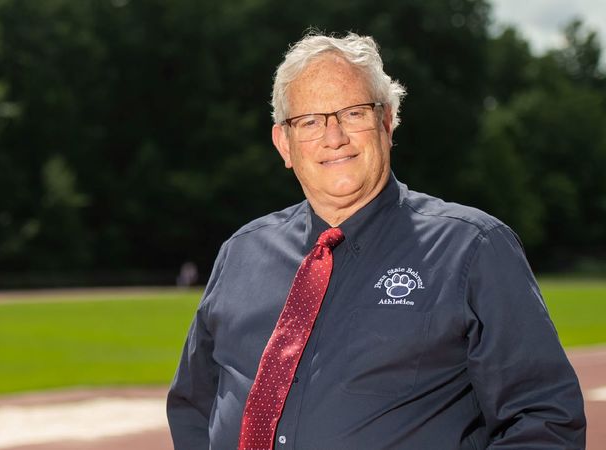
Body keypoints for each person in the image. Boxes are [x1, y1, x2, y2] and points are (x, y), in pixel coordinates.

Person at [166, 31, 586, 449]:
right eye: (310, 121)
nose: (334, 138)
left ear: (387, 121)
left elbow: (543, 417)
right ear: (285, 145)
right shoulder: (242, 252)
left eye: (353, 113)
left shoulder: (473, 248)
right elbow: (195, 404)